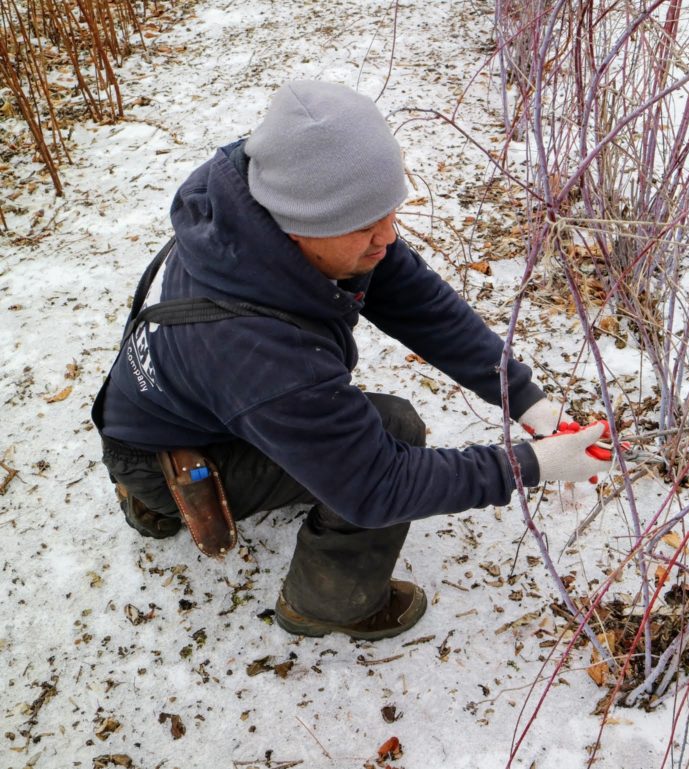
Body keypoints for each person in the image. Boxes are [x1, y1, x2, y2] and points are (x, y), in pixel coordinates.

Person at [93, 80, 612, 641]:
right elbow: (376, 486)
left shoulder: (256, 211)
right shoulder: (257, 351)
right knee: (394, 431)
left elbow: (417, 301)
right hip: (164, 449)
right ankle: (326, 603)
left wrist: (523, 397)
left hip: (165, 407)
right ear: (298, 228)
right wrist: (532, 465)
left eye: (389, 212)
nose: (387, 238)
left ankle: (158, 502)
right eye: (366, 226)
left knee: (323, 425)